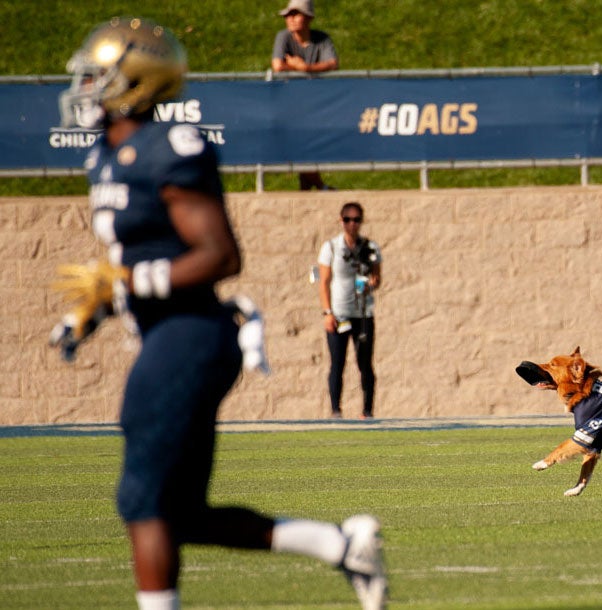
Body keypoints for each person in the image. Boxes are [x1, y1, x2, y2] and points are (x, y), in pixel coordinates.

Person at [52, 17, 386, 610]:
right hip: (166, 333)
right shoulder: (104, 156)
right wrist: (97, 306)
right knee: (180, 514)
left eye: (96, 75)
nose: (84, 87)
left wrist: (130, 281)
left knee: (142, 502)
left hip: (190, 337)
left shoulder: (169, 147)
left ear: (136, 81)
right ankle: (340, 545)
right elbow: (137, 259)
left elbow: (220, 254)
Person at [318, 202, 382, 419]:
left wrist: (371, 283)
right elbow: (324, 282)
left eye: (356, 220)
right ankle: (336, 410)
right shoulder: (331, 247)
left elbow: (377, 277)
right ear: (341, 220)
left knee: (365, 363)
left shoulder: (370, 247)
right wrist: (327, 313)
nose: (352, 224)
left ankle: (367, 411)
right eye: (347, 219)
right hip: (339, 313)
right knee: (337, 363)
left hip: (363, 313)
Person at [271, 0, 338, 191]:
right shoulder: (283, 37)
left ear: (308, 18)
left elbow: (333, 64)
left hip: (314, 103)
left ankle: (309, 190)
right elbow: (277, 66)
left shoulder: (321, 39)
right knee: (299, 145)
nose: (290, 19)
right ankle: (321, 186)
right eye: (287, 15)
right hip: (290, 102)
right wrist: (306, 70)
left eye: (295, 14)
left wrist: (304, 67)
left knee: (306, 145)